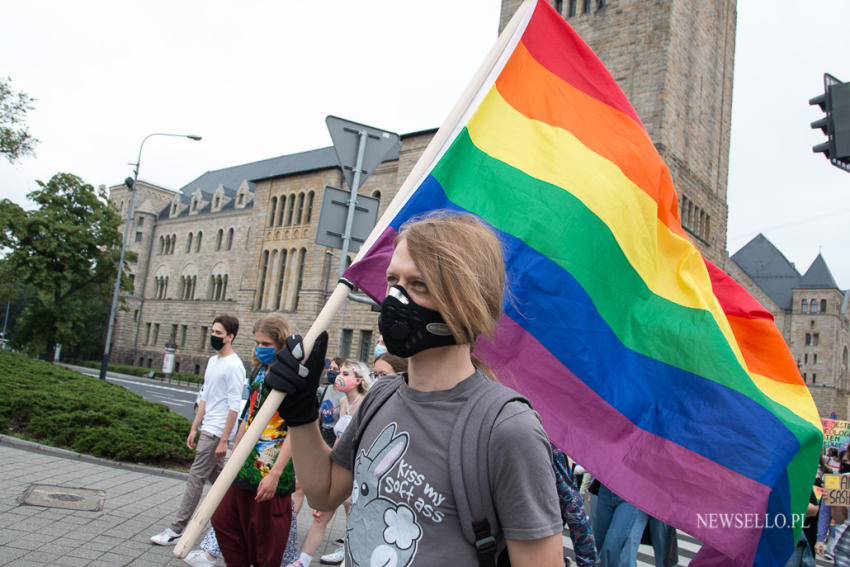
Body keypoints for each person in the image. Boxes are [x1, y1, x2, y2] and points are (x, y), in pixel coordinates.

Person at [266, 212, 564, 566]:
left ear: (466, 300)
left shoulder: (508, 428)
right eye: (393, 280)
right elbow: (324, 493)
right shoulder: (382, 395)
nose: (394, 299)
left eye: (419, 285)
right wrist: (301, 412)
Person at [210, 312, 297, 567]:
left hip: (269, 466)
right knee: (223, 520)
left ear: (281, 344)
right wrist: (234, 453)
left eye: (266, 344)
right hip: (245, 464)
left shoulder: (292, 379)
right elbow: (248, 416)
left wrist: (276, 474)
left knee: (266, 539)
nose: (260, 349)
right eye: (257, 343)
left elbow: (295, 430)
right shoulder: (258, 373)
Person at [151, 314, 245, 546]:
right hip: (207, 427)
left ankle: (177, 528)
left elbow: (234, 405)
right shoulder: (213, 362)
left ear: (230, 337)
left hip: (216, 431)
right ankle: (241, 520)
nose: (214, 337)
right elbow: (205, 398)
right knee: (223, 481)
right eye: (213, 332)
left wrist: (225, 439)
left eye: (218, 334)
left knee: (196, 477)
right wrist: (194, 427)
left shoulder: (234, 366)